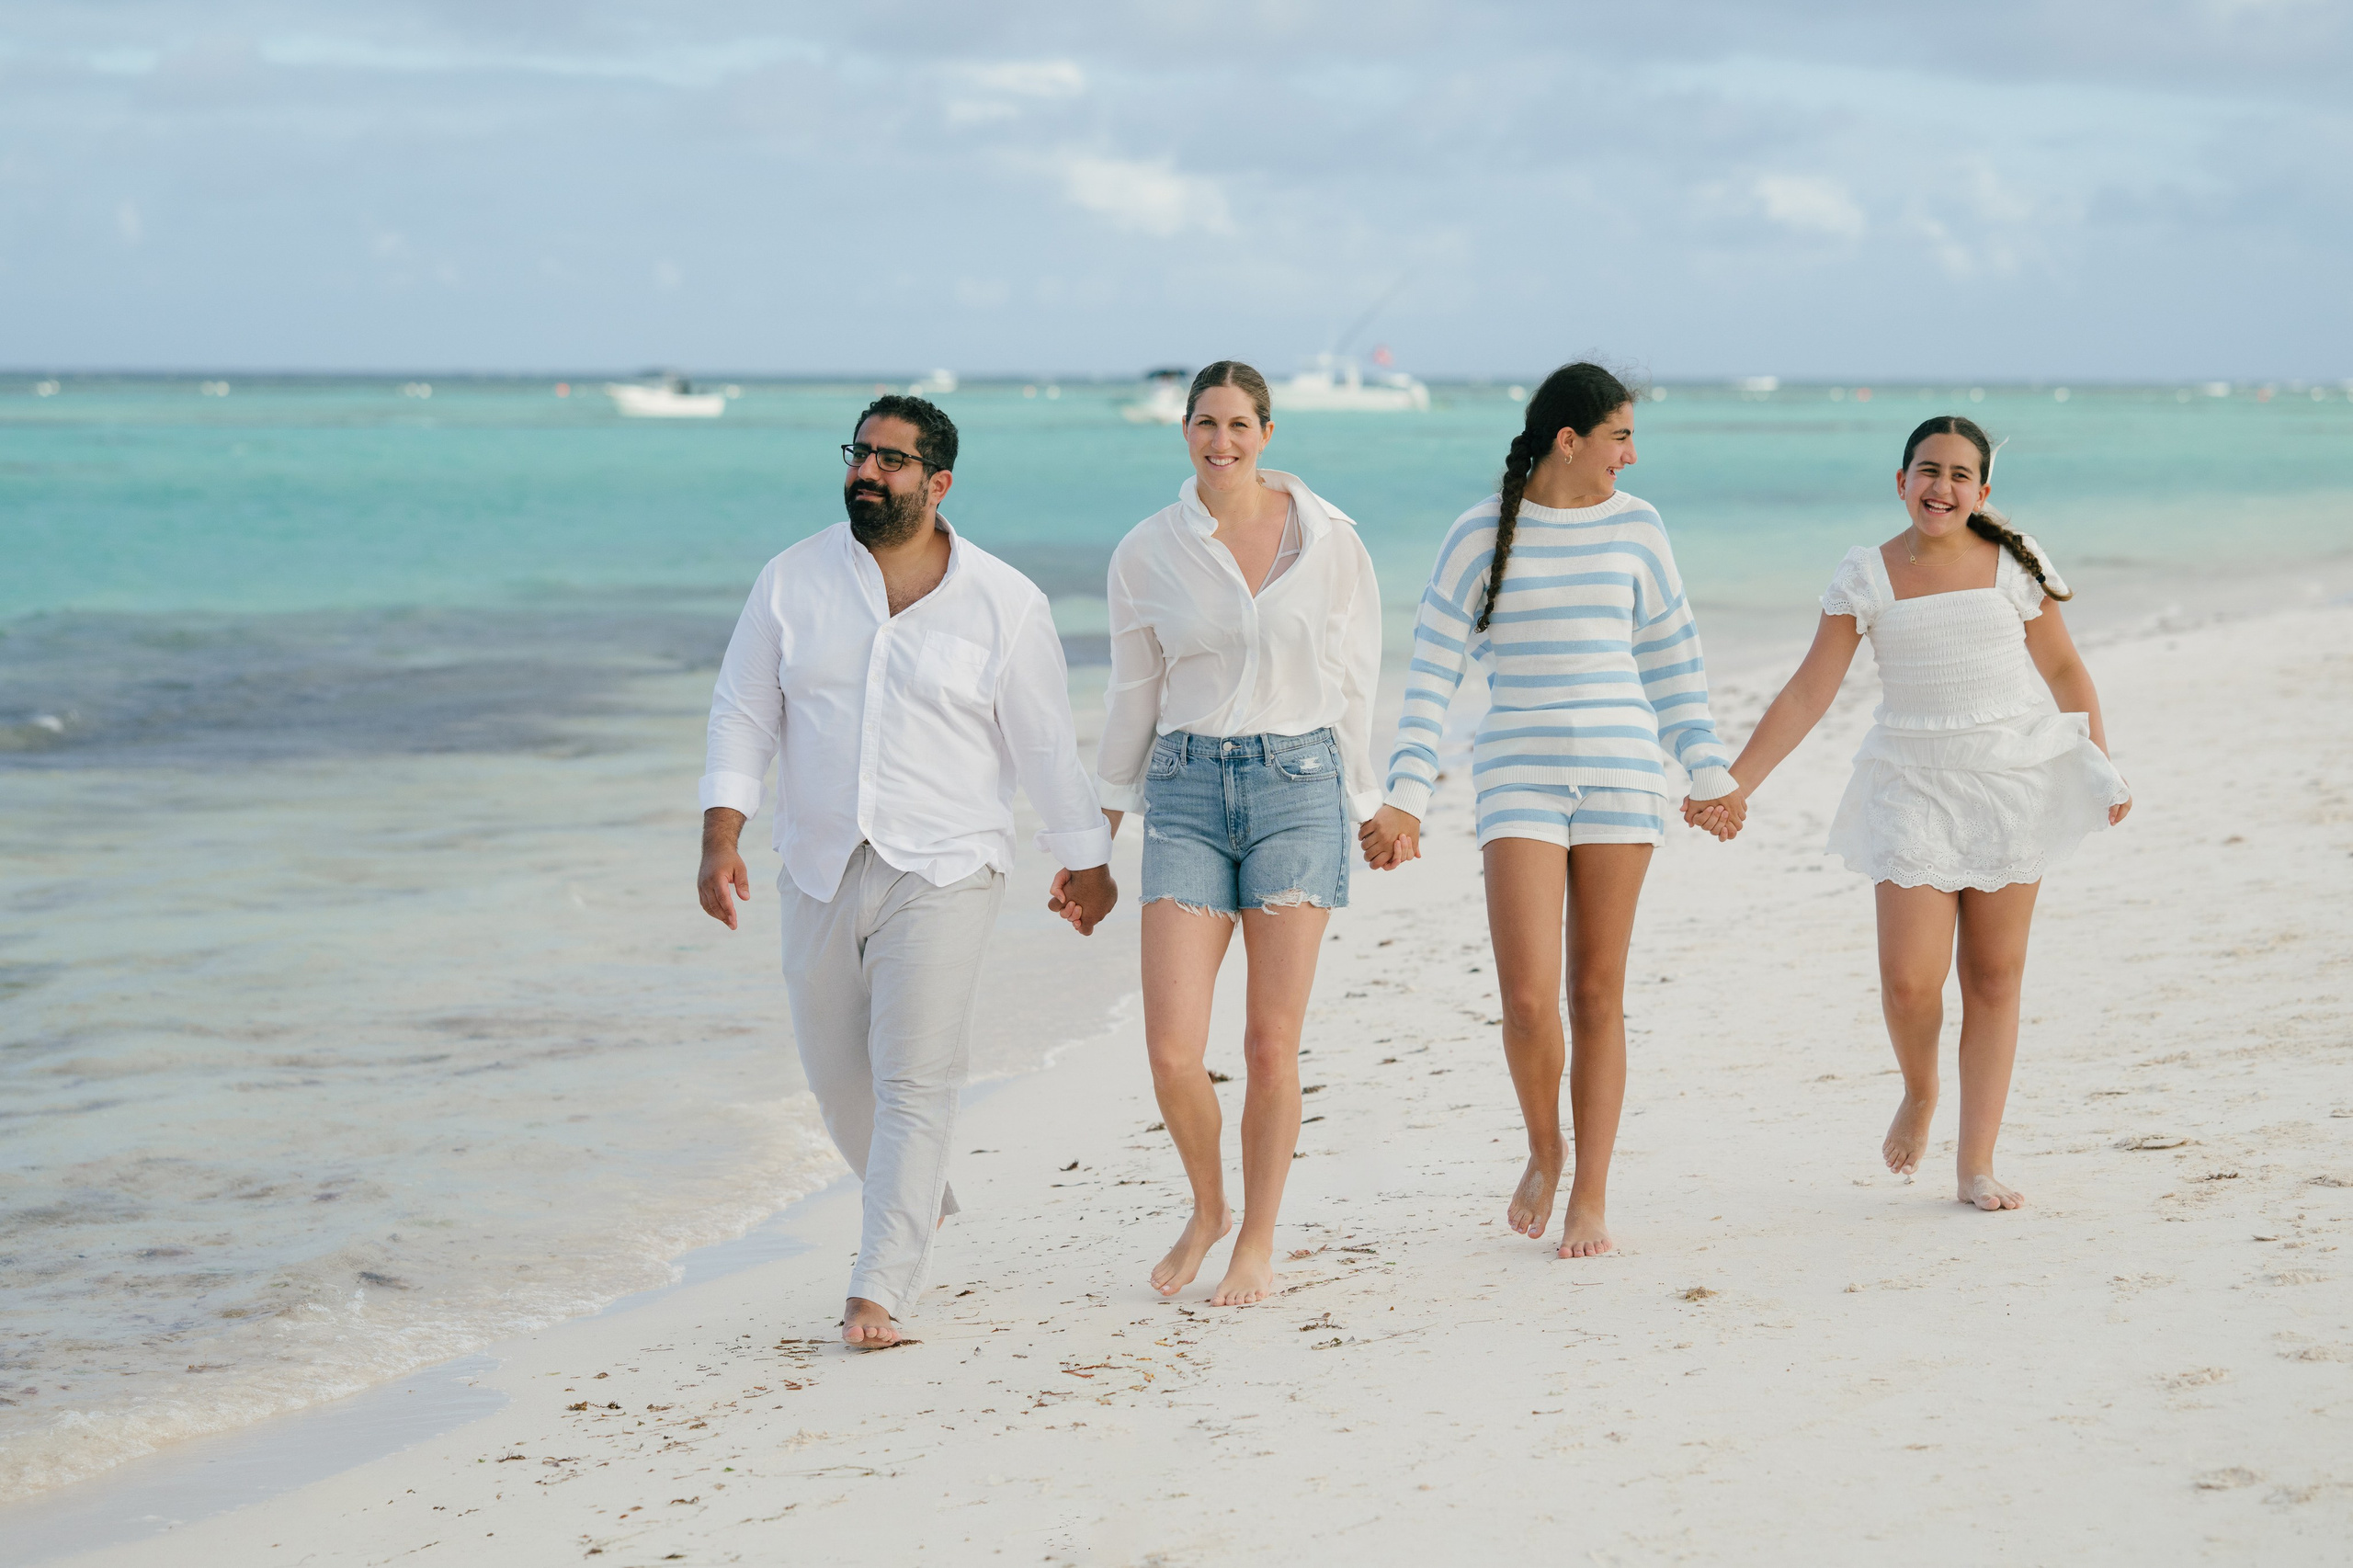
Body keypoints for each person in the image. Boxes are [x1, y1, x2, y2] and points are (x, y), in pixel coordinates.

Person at [696, 394, 1117, 1347]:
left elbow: (1044, 743)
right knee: (840, 1083)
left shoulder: (1006, 601)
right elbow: (742, 713)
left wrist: (1084, 859)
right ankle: (915, 1196)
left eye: (890, 460)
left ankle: (876, 1286)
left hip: (946, 863)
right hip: (816, 859)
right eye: (859, 453)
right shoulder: (790, 581)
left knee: (916, 1079)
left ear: (938, 481)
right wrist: (720, 833)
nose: (866, 472)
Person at [1358, 361, 1741, 1259]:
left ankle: (1592, 1196)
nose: (1631, 455)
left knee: (1597, 992)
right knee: (1530, 998)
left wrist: (1708, 769)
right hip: (1516, 778)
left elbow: (1674, 663)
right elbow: (1431, 679)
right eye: (1619, 437)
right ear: (1569, 440)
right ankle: (1544, 1145)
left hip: (1620, 777)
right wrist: (1405, 796)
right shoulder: (1475, 533)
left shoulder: (1640, 528)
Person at [1699, 415, 2130, 1211]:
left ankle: (1976, 1163)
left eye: (1961, 475)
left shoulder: (2014, 564)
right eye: (1928, 471)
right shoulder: (1867, 574)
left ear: (1983, 491)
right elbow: (1807, 691)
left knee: (1994, 978)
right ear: (1901, 482)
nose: (1943, 487)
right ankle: (1920, 1087)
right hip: (1911, 785)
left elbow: (2065, 666)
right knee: (1908, 983)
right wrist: (1736, 783)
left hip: (2012, 781)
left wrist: (2100, 762)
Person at [1061, 360, 1380, 1306]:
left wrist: (1371, 803)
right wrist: (1094, 837)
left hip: (1298, 786)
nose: (1221, 441)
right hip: (1187, 790)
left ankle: (1258, 1240)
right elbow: (1132, 695)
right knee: (1171, 1049)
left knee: (1271, 1044)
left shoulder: (1329, 540)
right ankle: (1209, 1206)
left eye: (1239, 424)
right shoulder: (1146, 551)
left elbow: (1356, 673)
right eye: (1205, 422)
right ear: (1185, 431)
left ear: (1267, 432)